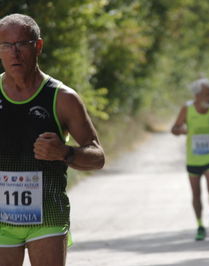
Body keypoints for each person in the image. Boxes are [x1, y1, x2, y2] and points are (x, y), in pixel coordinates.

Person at [0, 14, 105, 266]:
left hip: (47, 214)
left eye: (22, 44)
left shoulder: (62, 98)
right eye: (6, 46)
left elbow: (98, 156)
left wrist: (65, 153)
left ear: (38, 46)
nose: (14, 53)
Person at [171, 78, 209, 241]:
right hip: (193, 158)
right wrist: (181, 131)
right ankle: (200, 225)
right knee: (196, 193)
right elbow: (174, 128)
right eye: (206, 94)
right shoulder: (187, 109)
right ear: (197, 95)